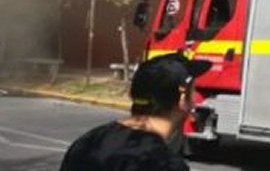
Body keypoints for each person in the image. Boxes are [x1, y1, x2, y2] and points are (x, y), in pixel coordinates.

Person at [60, 53, 211, 171]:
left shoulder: (88, 142)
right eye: (193, 92)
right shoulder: (163, 164)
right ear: (182, 97)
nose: (195, 101)